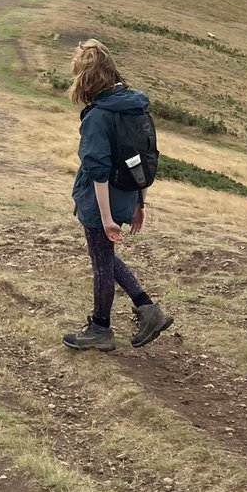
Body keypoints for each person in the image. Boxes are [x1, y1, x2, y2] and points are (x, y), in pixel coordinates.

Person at [63, 39, 172, 352]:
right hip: (126, 195)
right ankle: (148, 310)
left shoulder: (99, 116)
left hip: (102, 202)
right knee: (105, 257)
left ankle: (100, 327)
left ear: (86, 77)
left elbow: (97, 170)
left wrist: (107, 218)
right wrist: (140, 202)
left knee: (101, 264)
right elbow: (143, 158)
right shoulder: (134, 106)